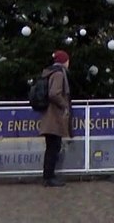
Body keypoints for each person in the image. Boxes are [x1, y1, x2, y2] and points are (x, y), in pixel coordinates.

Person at [37, 50, 73, 187]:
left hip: (50, 117)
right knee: (53, 147)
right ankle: (49, 177)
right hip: (54, 118)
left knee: (51, 147)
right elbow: (54, 93)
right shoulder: (58, 74)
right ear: (64, 61)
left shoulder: (50, 72)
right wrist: (64, 105)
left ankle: (48, 176)